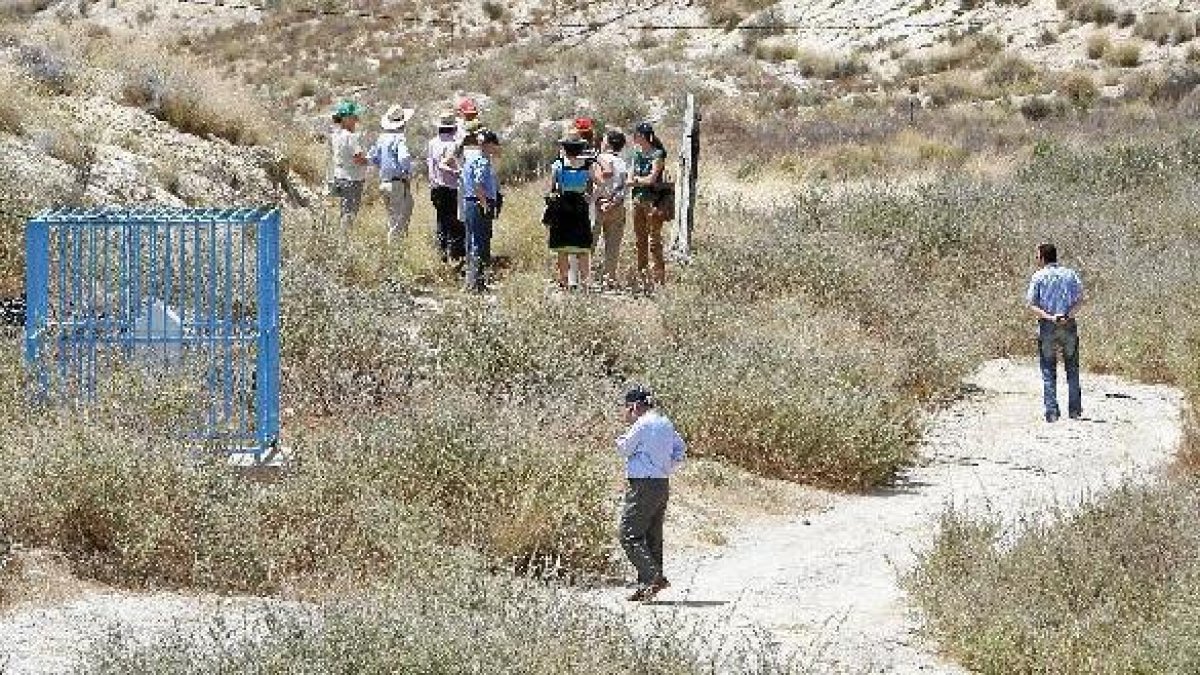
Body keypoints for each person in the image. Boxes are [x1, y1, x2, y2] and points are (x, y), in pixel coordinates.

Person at [616, 385, 686, 602]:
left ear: (634, 406)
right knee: (652, 535)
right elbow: (680, 450)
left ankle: (653, 577)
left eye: (626, 408)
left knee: (629, 534)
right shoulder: (665, 423)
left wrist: (620, 440)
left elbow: (624, 449)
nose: (625, 412)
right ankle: (647, 586)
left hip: (643, 485)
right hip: (661, 483)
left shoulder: (641, 425)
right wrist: (664, 467)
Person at [1026, 243, 1084, 423]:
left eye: (1038, 256)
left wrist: (1050, 317)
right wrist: (1068, 315)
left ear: (1043, 257)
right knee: (1072, 368)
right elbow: (1081, 299)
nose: (1036, 259)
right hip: (1069, 324)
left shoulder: (1038, 276)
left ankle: (1052, 413)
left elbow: (1031, 304)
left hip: (1047, 326)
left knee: (1048, 369)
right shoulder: (1070, 274)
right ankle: (1074, 411)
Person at [546, 129, 595, 290]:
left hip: (563, 206)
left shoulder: (558, 165)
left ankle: (564, 281)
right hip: (580, 206)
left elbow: (551, 188)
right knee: (582, 248)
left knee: (562, 248)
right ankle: (586, 283)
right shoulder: (587, 165)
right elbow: (598, 184)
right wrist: (590, 197)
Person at [628, 122, 668, 291]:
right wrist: (637, 180)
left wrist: (637, 180)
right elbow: (629, 178)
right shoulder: (637, 154)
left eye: (636, 135)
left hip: (653, 202)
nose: (634, 137)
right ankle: (643, 276)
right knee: (640, 240)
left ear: (643, 136)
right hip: (638, 200)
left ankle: (659, 278)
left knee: (654, 241)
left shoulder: (657, 154)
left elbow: (651, 179)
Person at [368, 104, 415, 246]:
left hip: (385, 182)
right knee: (399, 221)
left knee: (392, 219)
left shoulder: (381, 138)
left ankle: (392, 250)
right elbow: (404, 158)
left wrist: (385, 168)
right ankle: (395, 252)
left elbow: (372, 158)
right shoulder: (400, 138)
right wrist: (407, 172)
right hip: (397, 183)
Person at [461, 130, 501, 293]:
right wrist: (484, 204)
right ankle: (477, 283)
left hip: (469, 202)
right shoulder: (483, 161)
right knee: (481, 242)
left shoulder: (470, 159)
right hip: (479, 203)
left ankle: (470, 281)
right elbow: (478, 184)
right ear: (489, 144)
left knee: (471, 241)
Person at [592, 129, 629, 288]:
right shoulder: (623, 162)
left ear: (607, 143)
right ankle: (609, 280)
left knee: (589, 243)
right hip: (617, 207)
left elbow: (596, 183)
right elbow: (624, 187)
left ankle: (582, 278)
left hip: (597, 206)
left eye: (604, 139)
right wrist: (613, 202)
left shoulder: (600, 160)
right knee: (613, 246)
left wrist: (600, 201)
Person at [428, 113, 464, 263]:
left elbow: (431, 164)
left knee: (441, 221)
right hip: (452, 188)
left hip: (436, 187)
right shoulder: (455, 144)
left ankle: (441, 255)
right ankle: (456, 256)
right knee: (456, 223)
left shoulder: (432, 143)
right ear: (453, 128)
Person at [329, 100, 369, 230]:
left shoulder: (335, 135)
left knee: (344, 210)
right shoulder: (351, 137)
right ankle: (344, 239)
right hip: (352, 179)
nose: (356, 119)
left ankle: (341, 236)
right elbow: (358, 158)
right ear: (345, 119)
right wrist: (371, 160)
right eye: (353, 117)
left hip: (339, 177)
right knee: (350, 213)